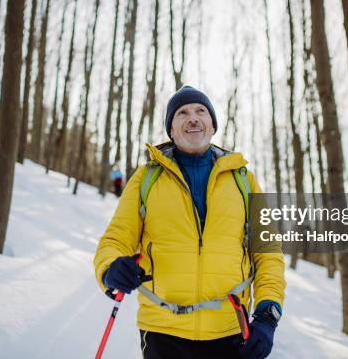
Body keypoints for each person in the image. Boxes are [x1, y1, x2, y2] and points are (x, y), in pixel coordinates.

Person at [94, 86, 285, 358]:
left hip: (230, 332)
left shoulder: (244, 181)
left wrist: (268, 313)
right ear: (171, 129)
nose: (192, 118)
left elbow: (268, 253)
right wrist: (110, 269)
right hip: (163, 332)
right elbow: (116, 239)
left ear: (212, 125)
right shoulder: (146, 178)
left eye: (201, 111)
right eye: (182, 113)